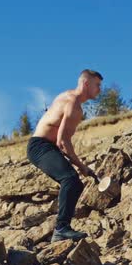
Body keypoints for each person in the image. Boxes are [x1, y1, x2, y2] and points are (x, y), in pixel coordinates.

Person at [27, 69, 102, 242]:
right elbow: (62, 141)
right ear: (86, 84)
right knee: (70, 179)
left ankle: (62, 228)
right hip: (40, 146)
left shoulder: (66, 96)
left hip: (44, 146)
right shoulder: (74, 105)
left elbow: (58, 135)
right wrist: (81, 166)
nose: (99, 90)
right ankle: (61, 229)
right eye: (97, 85)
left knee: (74, 184)